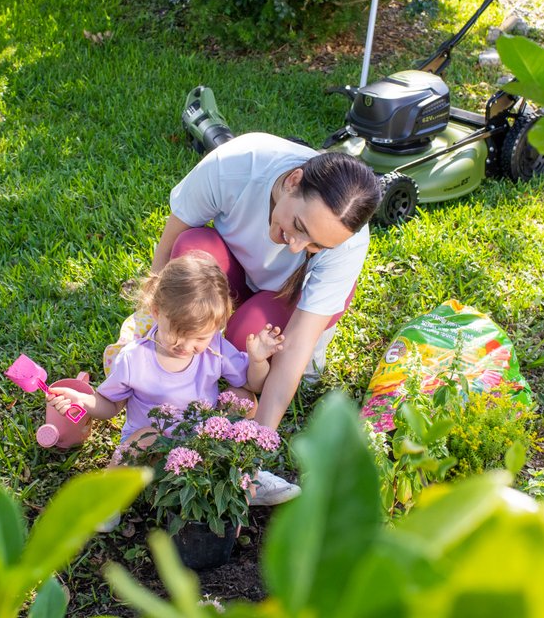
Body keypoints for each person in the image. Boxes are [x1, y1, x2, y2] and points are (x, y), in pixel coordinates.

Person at [150, 133, 380, 501]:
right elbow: (169, 243)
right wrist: (149, 320)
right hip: (232, 267)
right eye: (301, 227)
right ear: (293, 182)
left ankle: (290, 338)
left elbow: (294, 351)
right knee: (192, 248)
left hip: (288, 296)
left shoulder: (348, 243)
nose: (296, 247)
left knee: (246, 341)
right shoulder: (237, 164)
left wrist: (253, 450)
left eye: (316, 246)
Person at [45, 253, 291, 506]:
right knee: (146, 436)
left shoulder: (214, 347)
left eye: (199, 337)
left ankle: (246, 477)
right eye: (178, 333)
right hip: (153, 451)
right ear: (156, 312)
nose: (186, 345)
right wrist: (83, 400)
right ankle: (107, 498)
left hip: (204, 443)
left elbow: (253, 385)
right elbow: (110, 406)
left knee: (244, 399)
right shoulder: (135, 358)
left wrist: (258, 360)